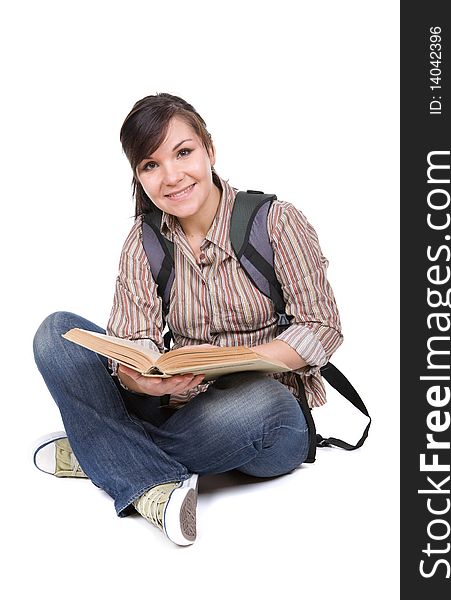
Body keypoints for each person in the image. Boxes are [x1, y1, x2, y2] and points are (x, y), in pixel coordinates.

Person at [32, 93, 343, 546]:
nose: (171, 177)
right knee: (56, 332)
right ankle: (136, 470)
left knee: (262, 402)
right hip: (180, 409)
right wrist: (145, 381)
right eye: (150, 165)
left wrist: (240, 360)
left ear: (209, 151)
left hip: (267, 421)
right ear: (139, 176)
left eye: (183, 153)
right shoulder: (143, 242)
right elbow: (133, 339)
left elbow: (321, 327)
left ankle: (99, 449)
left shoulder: (275, 222)